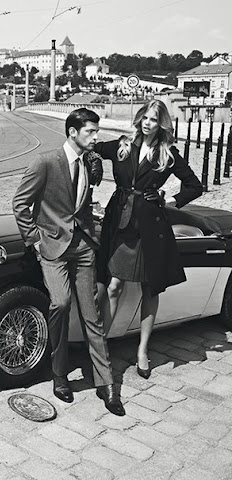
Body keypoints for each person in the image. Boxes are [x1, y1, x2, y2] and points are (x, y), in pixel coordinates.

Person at [12, 107, 125, 416]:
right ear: (73, 132)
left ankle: (106, 383)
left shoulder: (89, 162)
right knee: (60, 303)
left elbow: (82, 205)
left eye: (96, 131)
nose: (96, 137)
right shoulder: (45, 162)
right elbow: (20, 203)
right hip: (52, 247)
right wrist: (35, 240)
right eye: (91, 131)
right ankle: (59, 374)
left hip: (83, 247)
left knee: (92, 315)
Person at [93, 99, 203, 379]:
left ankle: (142, 350)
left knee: (150, 290)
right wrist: (92, 165)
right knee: (114, 285)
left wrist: (169, 199)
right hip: (120, 224)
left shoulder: (168, 154)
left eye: (154, 119)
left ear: (161, 124)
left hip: (151, 228)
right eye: (145, 117)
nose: (147, 123)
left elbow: (195, 186)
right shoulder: (122, 145)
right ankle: (101, 348)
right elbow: (90, 148)